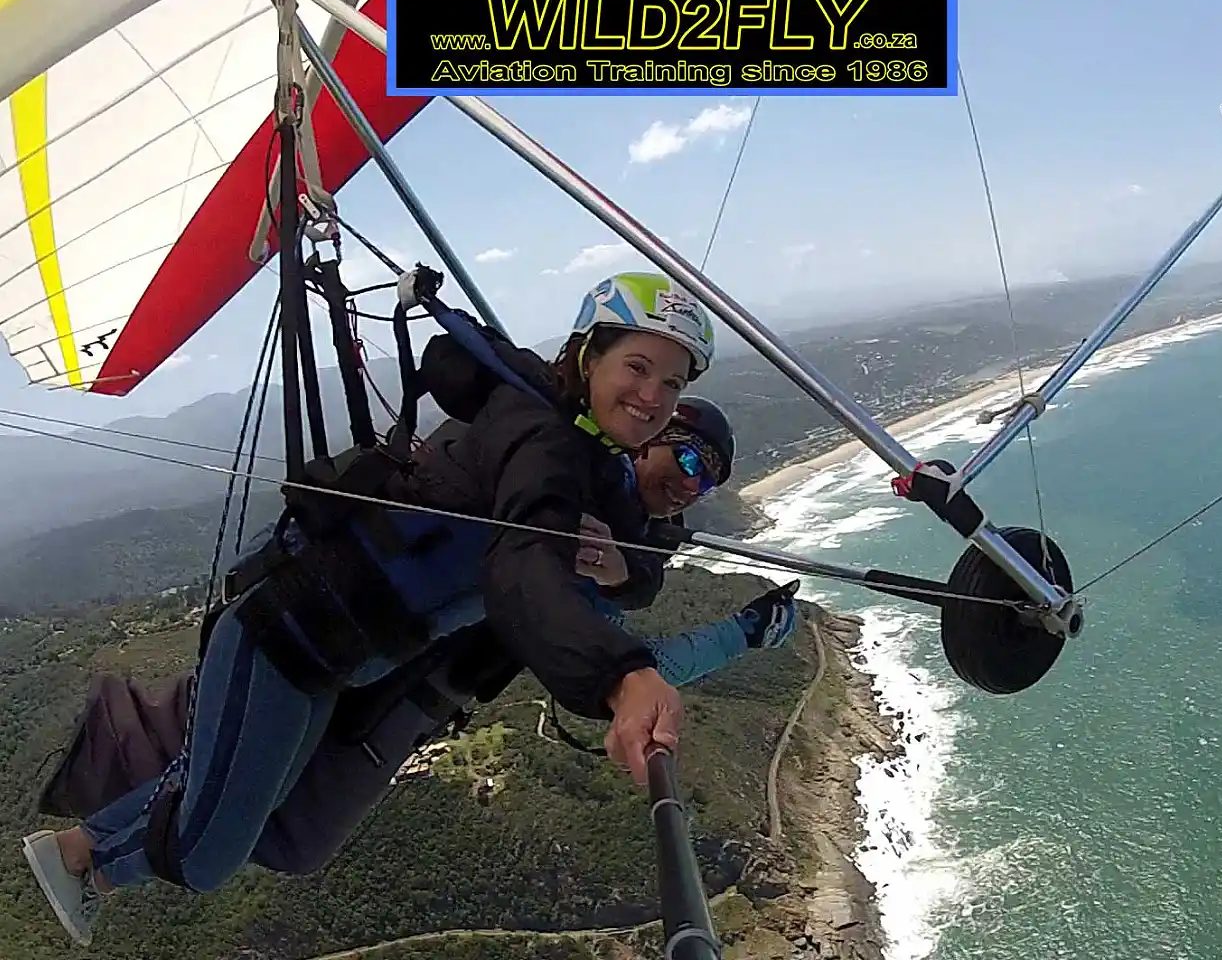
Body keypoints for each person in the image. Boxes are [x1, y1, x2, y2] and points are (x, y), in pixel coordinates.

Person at [21, 271, 717, 947]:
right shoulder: (541, 439)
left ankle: (80, 846)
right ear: (589, 356)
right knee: (207, 858)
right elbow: (523, 567)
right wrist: (620, 674)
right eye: (637, 367)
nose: (652, 395)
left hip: (333, 659)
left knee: (251, 797)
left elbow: (634, 549)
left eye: (673, 383)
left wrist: (623, 574)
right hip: (282, 637)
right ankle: (89, 866)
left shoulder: (588, 452)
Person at [31, 397, 802, 881]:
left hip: (401, 679)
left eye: (711, 478)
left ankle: (102, 832)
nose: (693, 481)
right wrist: (735, 634)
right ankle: (96, 846)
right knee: (258, 830)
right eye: (687, 455)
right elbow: (626, 667)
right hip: (367, 657)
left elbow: (626, 660)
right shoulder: (560, 495)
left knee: (287, 829)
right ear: (646, 439)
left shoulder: (614, 545)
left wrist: (711, 615)